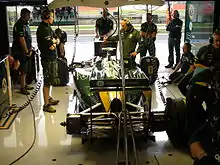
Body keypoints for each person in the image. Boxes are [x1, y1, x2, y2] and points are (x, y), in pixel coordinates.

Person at [185, 30, 220, 165]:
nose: (218, 43)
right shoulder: (205, 50)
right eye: (216, 40)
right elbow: (196, 65)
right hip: (201, 83)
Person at [36, 9, 60, 113]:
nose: (53, 18)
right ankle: (46, 104)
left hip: (51, 58)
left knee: (50, 80)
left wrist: (55, 41)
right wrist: (55, 43)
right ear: (47, 17)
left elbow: (56, 39)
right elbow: (51, 46)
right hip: (47, 59)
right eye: (52, 16)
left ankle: (48, 97)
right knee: (47, 81)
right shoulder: (43, 29)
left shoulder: (48, 27)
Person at [11, 8, 34, 95]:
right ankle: (22, 87)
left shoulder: (25, 24)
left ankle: (24, 85)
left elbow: (28, 37)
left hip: (26, 50)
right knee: (22, 69)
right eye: (28, 15)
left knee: (25, 69)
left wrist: (30, 48)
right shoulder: (19, 24)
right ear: (24, 15)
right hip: (19, 51)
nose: (29, 17)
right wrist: (26, 51)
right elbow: (22, 39)